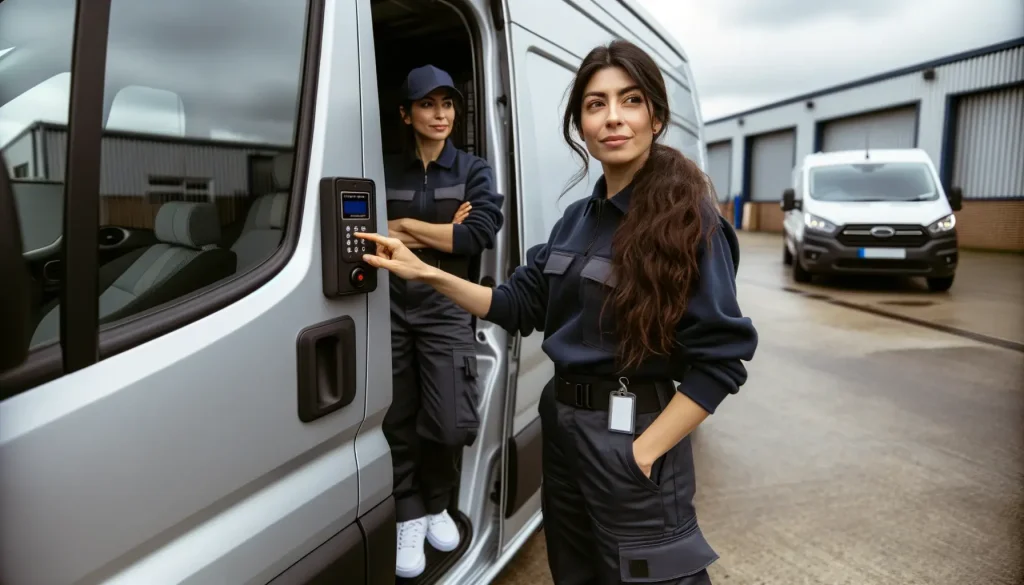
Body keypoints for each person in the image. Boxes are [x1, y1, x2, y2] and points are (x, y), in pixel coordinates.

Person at [361, 43, 757, 584]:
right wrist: (426, 271)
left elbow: (722, 361)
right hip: (564, 428)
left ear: (655, 117)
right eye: (595, 104)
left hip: (632, 432)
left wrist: (643, 453)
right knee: (574, 573)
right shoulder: (575, 220)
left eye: (630, 100)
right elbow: (516, 303)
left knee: (652, 577)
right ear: (580, 124)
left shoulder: (691, 223)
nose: (612, 116)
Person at [380, 64, 505, 579]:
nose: (440, 114)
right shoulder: (384, 168)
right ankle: (411, 512)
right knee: (398, 420)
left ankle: (438, 502)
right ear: (406, 114)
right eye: (428, 105)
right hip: (388, 309)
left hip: (446, 308)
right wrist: (438, 232)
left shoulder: (473, 169)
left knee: (451, 420)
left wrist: (404, 226)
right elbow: (366, 232)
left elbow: (479, 233)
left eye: (448, 104)